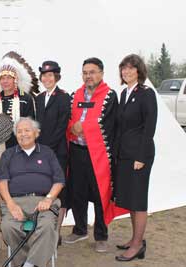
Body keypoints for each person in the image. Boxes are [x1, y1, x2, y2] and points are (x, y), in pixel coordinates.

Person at [64, 57, 126, 253]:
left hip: (98, 154)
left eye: (92, 72)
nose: (88, 76)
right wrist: (71, 127)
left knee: (101, 194)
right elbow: (68, 119)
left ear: (101, 73)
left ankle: (101, 235)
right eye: (85, 72)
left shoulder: (109, 96)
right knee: (77, 192)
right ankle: (80, 229)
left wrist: (83, 126)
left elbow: (106, 122)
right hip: (76, 151)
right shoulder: (75, 95)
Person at [0, 117, 64, 267]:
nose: (23, 134)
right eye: (19, 131)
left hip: (43, 202)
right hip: (16, 202)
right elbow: (1, 182)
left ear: (36, 133)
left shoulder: (48, 153)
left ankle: (29, 264)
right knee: (8, 227)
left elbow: (59, 180)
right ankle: (29, 261)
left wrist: (48, 199)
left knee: (47, 226)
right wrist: (11, 204)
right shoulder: (8, 154)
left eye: (27, 130)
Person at [114, 54, 157, 262]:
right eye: (124, 68)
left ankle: (138, 245)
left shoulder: (146, 94)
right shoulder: (124, 93)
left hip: (140, 154)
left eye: (131, 68)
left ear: (139, 71)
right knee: (130, 198)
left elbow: (149, 128)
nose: (127, 72)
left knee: (138, 199)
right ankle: (135, 239)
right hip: (125, 155)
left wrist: (141, 156)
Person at [35, 60, 71, 245]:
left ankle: (56, 232)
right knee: (44, 189)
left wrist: (47, 148)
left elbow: (61, 126)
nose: (47, 78)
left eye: (50, 75)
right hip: (41, 152)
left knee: (59, 191)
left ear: (56, 77)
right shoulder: (38, 98)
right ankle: (44, 229)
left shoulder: (64, 97)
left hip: (57, 152)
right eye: (44, 75)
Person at [0, 51, 37, 148]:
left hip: (20, 145)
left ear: (15, 80)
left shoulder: (25, 99)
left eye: (8, 78)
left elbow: (30, 125)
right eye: (2, 78)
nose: (5, 81)